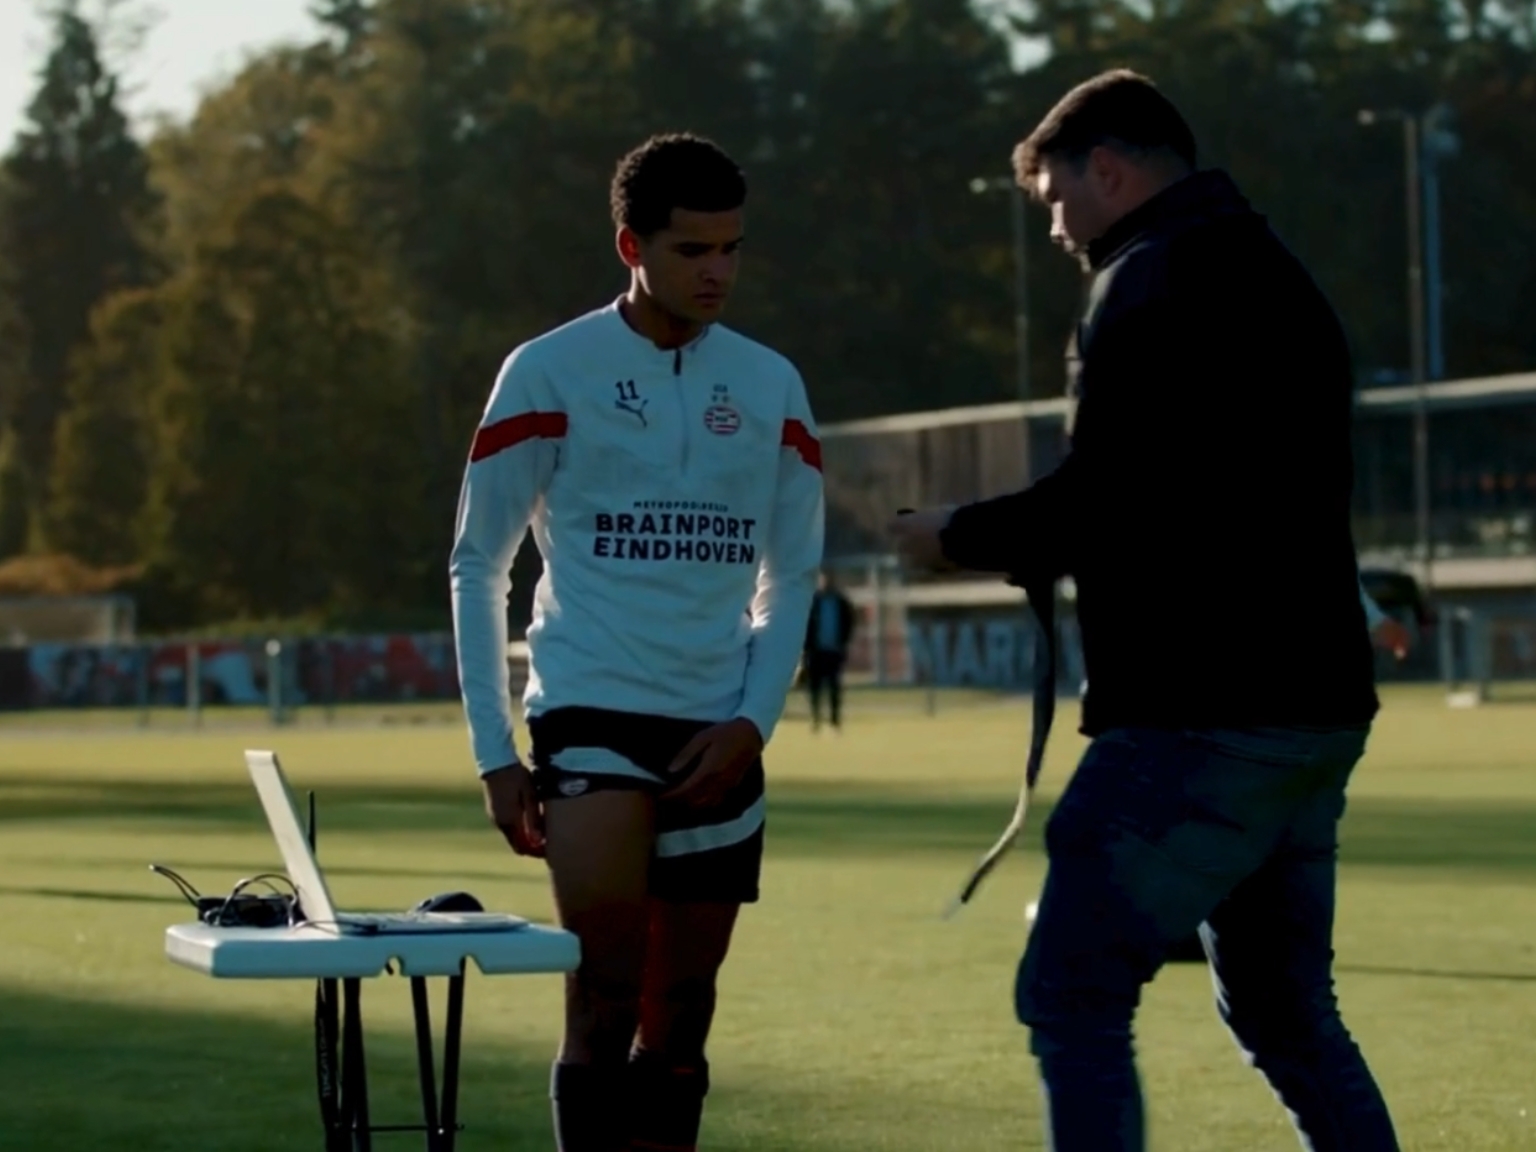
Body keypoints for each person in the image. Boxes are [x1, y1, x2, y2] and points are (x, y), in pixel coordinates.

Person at [888, 71, 1400, 1152]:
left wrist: (956, 536)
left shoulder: (1147, 279)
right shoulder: (1281, 275)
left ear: (1108, 169)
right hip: (1315, 707)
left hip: (1197, 711)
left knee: (1071, 995)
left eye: (1060, 202)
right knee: (1286, 1011)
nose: (1062, 230)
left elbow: (1107, 497)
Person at [450, 133, 824, 1152]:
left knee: (685, 1011)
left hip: (720, 727)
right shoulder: (547, 371)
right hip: (590, 714)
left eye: (732, 249)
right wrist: (495, 755)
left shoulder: (772, 384)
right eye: (693, 249)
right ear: (631, 244)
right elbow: (478, 565)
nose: (717, 271)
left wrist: (754, 720)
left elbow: (791, 573)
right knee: (604, 996)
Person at [802, 568, 856, 731]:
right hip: (815, 652)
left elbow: (849, 624)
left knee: (834, 687)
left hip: (834, 651)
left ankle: (834, 721)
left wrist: (844, 643)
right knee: (815, 688)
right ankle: (816, 719)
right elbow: (806, 626)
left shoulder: (841, 602)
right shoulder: (813, 602)